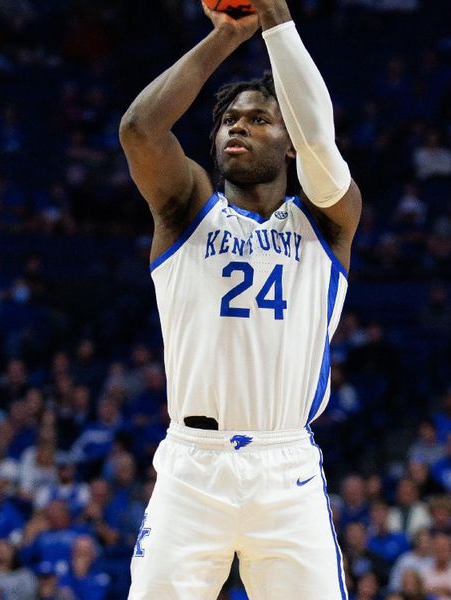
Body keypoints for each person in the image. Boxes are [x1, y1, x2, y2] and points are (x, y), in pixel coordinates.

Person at [118, 0, 362, 595]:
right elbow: (139, 130)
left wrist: (278, 17)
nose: (238, 127)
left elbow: (323, 149)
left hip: (287, 472)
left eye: (259, 120)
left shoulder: (328, 220)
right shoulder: (186, 210)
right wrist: (228, 35)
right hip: (192, 466)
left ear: (290, 143)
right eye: (230, 120)